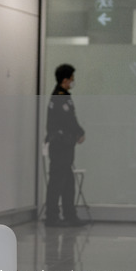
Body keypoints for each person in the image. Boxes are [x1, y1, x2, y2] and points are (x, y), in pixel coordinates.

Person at [45, 64, 86, 227]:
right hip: (60, 146)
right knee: (57, 181)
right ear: (65, 80)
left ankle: (69, 215)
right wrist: (80, 131)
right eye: (71, 79)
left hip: (65, 146)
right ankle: (52, 216)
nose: (73, 81)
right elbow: (69, 120)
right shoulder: (60, 97)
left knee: (68, 182)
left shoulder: (62, 95)